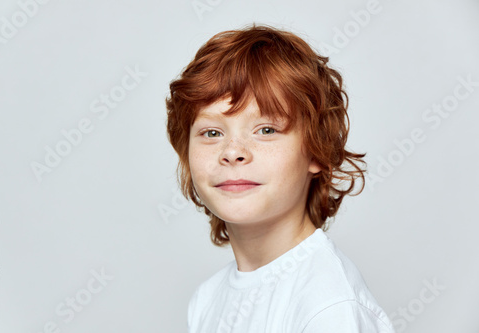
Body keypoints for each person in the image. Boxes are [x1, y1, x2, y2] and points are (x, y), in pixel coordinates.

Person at [165, 23, 395, 333]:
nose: (233, 152)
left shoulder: (329, 308)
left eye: (267, 130)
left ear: (316, 151)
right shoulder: (206, 301)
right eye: (212, 132)